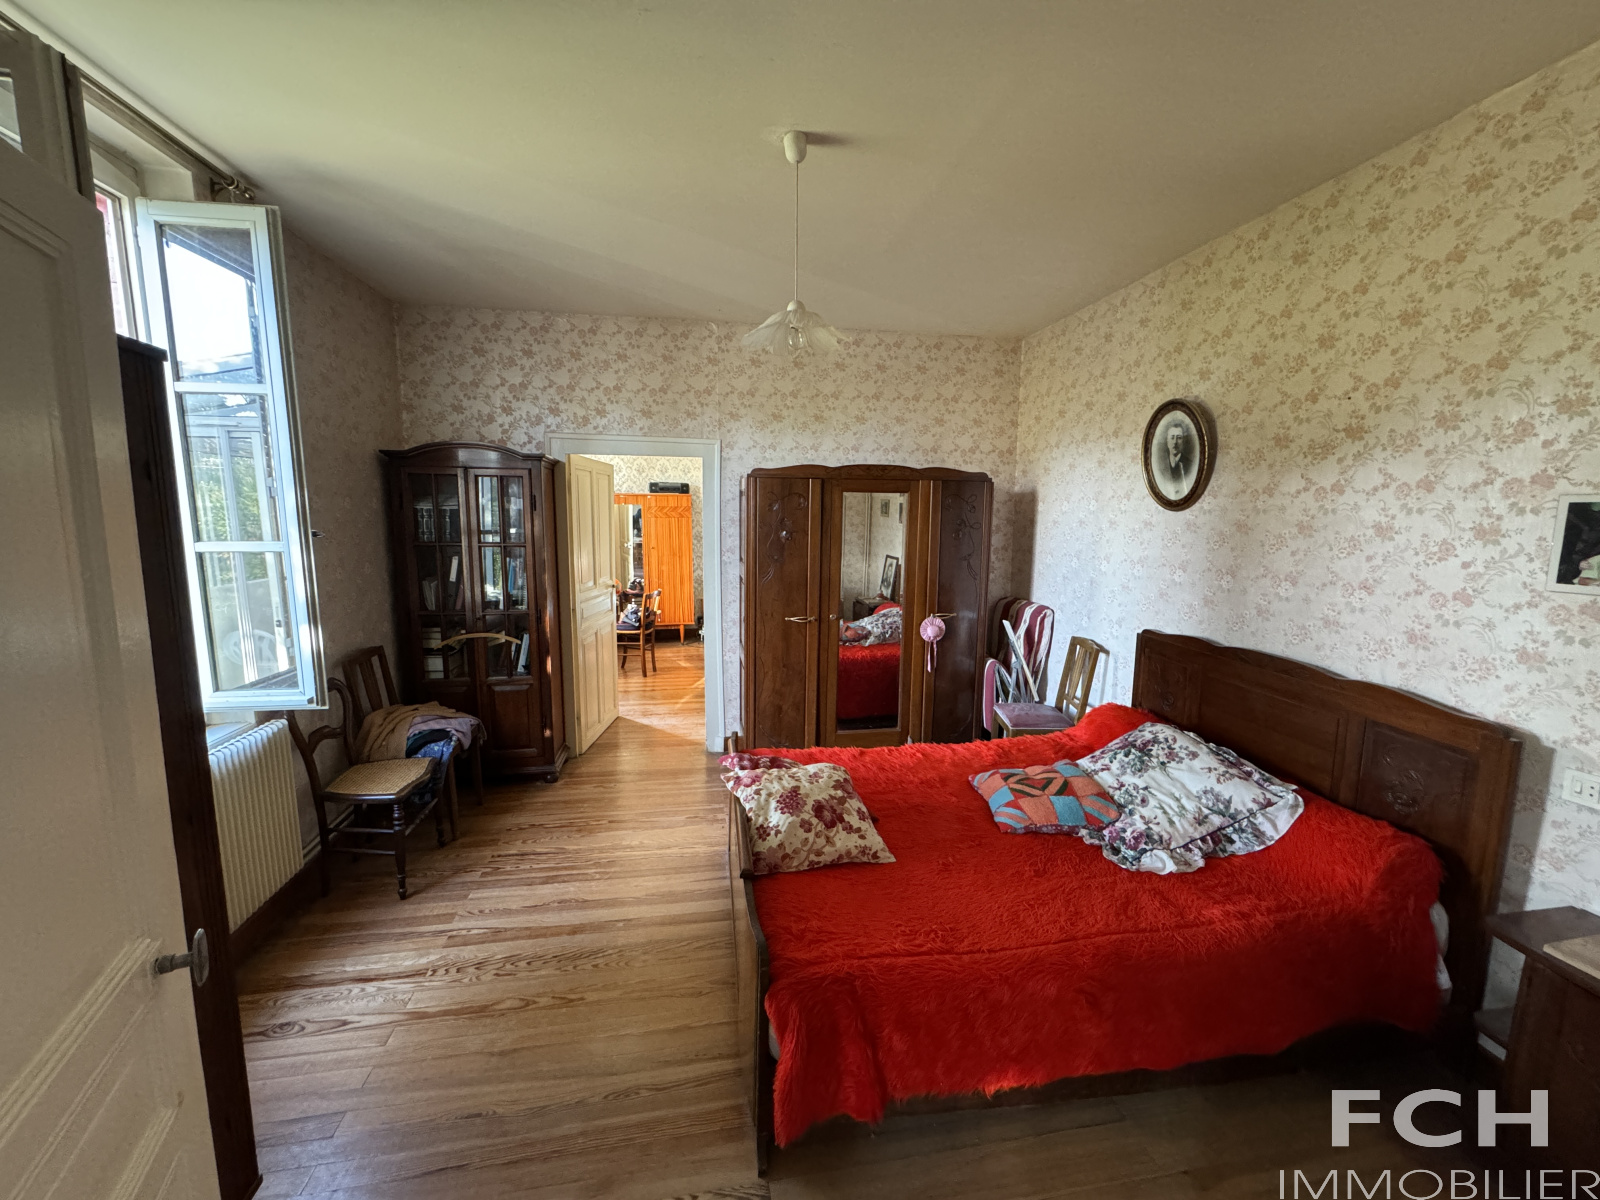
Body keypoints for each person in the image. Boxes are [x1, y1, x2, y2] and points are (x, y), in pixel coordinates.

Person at [1153, 416, 1198, 501]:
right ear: (1167, 441)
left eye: (1179, 438)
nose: (1175, 442)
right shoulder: (1160, 465)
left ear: (1183, 442)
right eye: (1172, 437)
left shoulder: (1190, 465)